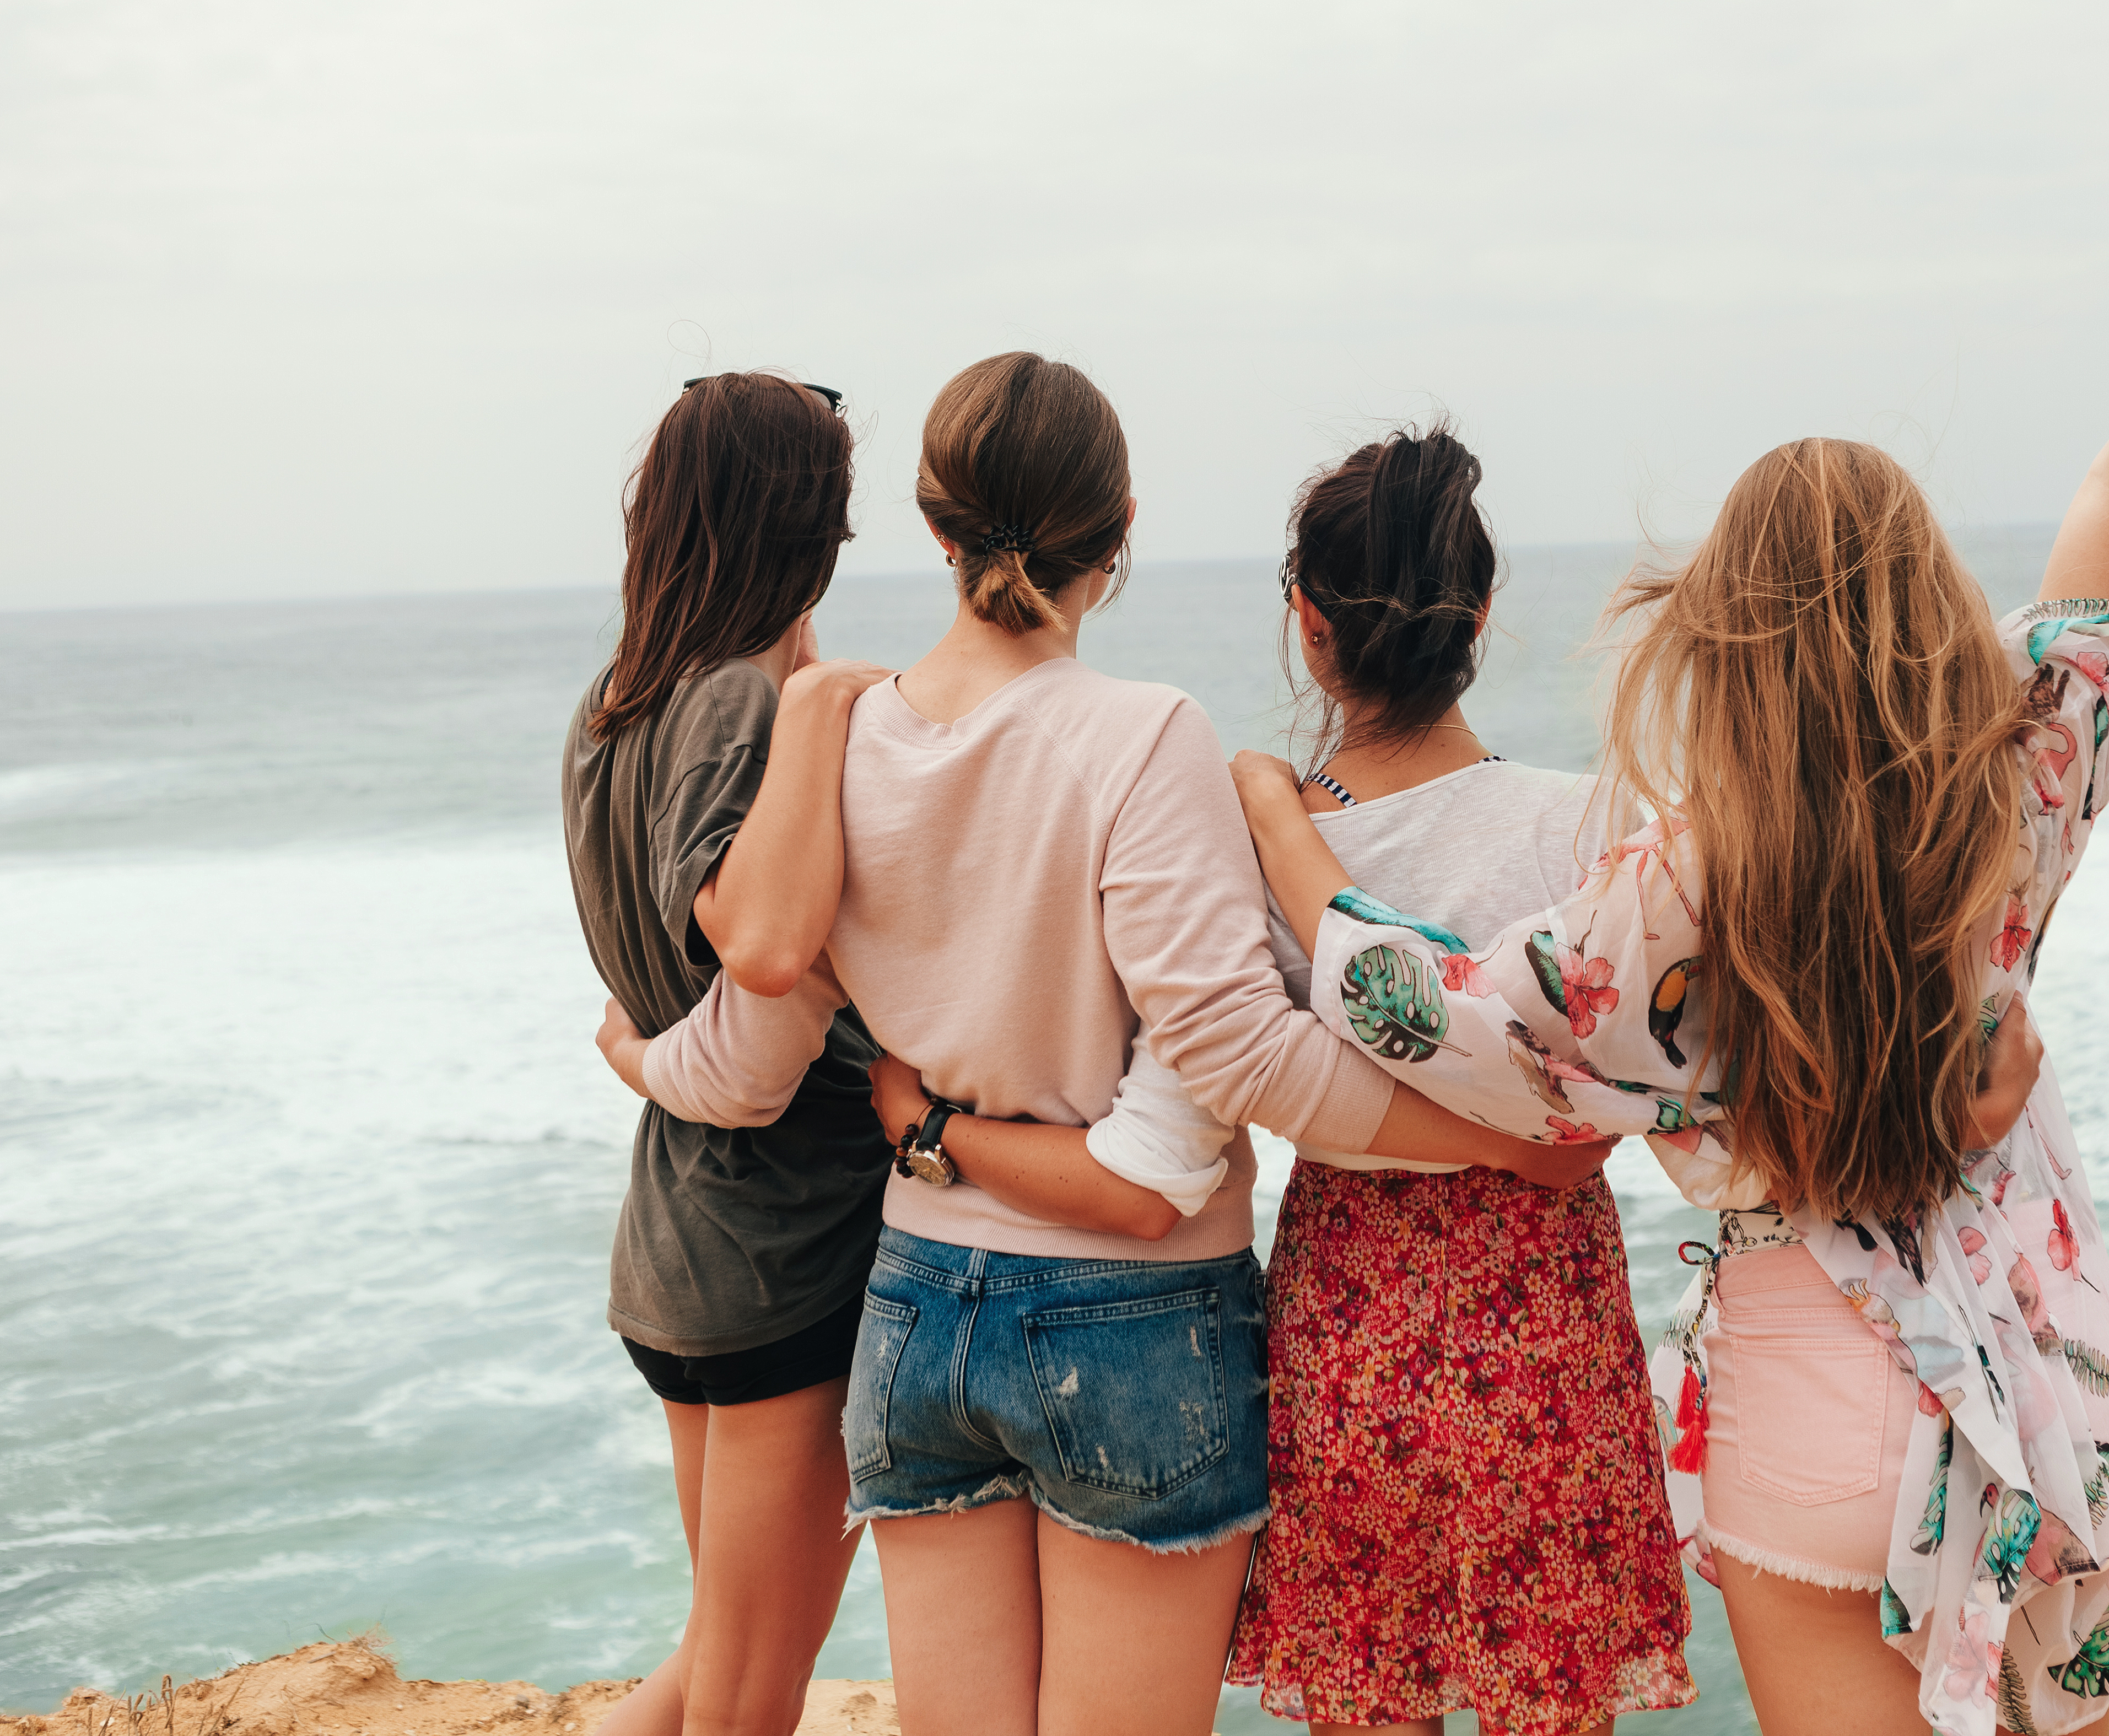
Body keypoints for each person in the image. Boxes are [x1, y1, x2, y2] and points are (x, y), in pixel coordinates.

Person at [1232, 50, 2109, 1736]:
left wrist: (1284, 829)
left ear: (1725, 630)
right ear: (1926, 586)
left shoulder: (1677, 885)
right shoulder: (2013, 780)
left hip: (1798, 1396)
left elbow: (1427, 1005)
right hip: (2014, 1393)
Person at [598, 353, 1610, 1736]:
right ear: (1121, 527)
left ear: (935, 525)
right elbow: (1233, 1060)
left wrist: (645, 1061)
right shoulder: (1149, 738)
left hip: (915, 1303)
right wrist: (1495, 1138)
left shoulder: (835, 737)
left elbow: (754, 1045)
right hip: (1128, 1320)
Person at [1222, 428, 1698, 1735]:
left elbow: (1246, 1069)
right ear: (1481, 616)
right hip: (1539, 1299)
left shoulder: (1263, 839)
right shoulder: (1582, 823)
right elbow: (1595, 1105)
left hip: (1349, 1303)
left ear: (1308, 624)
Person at [559, 370, 897, 1736]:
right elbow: (749, 939)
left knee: (719, 1655)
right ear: (799, 526)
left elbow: (655, 962)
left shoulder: (612, 704)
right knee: (753, 1693)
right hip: (788, 1241)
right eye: (836, 513)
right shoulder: (743, 706)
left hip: (683, 1236)